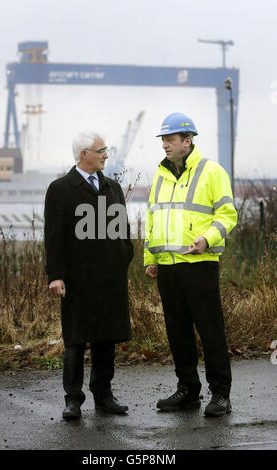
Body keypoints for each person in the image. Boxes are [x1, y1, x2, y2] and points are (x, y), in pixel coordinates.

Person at [144, 113, 237, 417]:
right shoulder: (160, 174)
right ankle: (188, 391)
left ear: (188, 140)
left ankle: (221, 394)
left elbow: (227, 215)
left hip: (199, 264)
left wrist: (207, 239)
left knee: (210, 331)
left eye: (169, 140)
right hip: (168, 267)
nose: (165, 146)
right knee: (177, 332)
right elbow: (153, 217)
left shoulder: (212, 171)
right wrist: (151, 258)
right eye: (163, 140)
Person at [44, 131, 134, 420]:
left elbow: (123, 230)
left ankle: (104, 395)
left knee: (106, 337)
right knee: (75, 339)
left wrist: (123, 257)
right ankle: (73, 399)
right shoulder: (60, 189)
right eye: (101, 150)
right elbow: (54, 237)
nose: (106, 154)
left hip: (110, 278)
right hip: (77, 280)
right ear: (85, 154)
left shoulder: (113, 188)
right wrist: (56, 275)